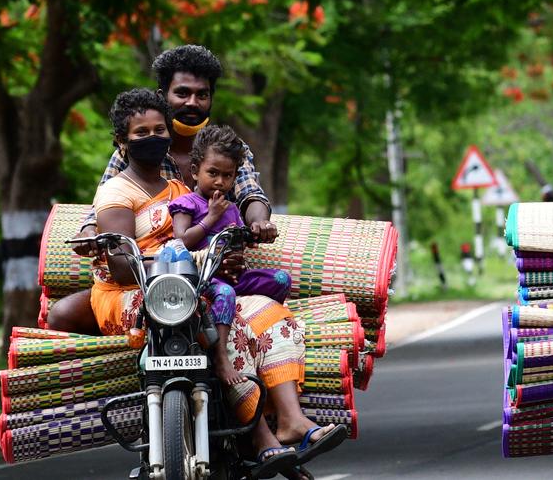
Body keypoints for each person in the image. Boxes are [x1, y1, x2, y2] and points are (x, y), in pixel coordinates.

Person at [89, 89, 344, 475]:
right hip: (142, 295)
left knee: (270, 312)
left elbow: (221, 224)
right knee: (226, 324)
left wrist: (222, 258)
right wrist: (199, 259)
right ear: (122, 142)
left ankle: (291, 421)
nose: (154, 138)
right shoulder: (115, 191)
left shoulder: (179, 190)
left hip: (192, 287)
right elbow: (123, 266)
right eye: (141, 133)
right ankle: (259, 437)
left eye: (160, 129)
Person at [48, 45, 279, 334]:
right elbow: (105, 204)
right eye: (182, 93)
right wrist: (89, 232)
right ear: (163, 97)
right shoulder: (137, 150)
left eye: (202, 95)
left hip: (216, 268)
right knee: (61, 316)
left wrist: (259, 222)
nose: (192, 103)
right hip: (148, 271)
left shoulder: (229, 150)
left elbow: (250, 194)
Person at [161, 124, 292, 386]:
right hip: (204, 279)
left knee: (280, 279)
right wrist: (211, 218)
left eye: (228, 175)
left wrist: (254, 233)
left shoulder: (232, 208)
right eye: (213, 173)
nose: (220, 181)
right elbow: (181, 241)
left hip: (235, 276)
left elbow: (237, 239)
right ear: (195, 171)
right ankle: (221, 357)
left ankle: (261, 320)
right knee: (225, 294)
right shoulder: (187, 203)